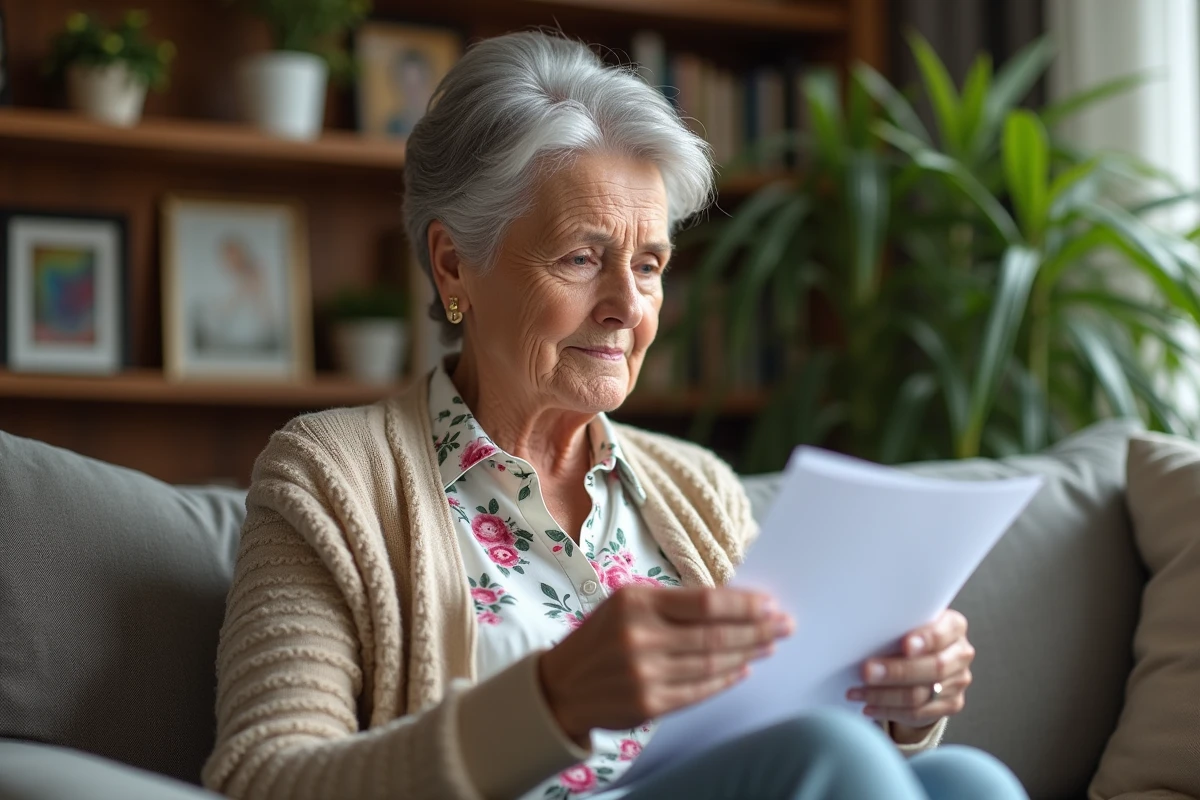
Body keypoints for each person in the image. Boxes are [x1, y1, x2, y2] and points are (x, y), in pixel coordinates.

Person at [202, 31, 1027, 800]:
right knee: (837, 759)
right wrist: (551, 702)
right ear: (455, 264)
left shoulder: (698, 488)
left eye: (649, 263)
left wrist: (898, 702)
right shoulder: (331, 475)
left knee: (969, 781)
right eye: (582, 258)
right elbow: (262, 777)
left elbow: (777, 736)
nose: (627, 308)